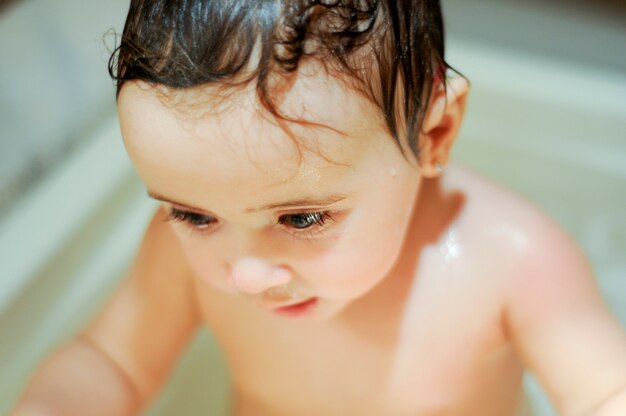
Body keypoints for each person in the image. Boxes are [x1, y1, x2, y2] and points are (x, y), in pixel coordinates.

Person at [11, 1, 626, 415]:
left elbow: (605, 391)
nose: (245, 274)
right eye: (196, 215)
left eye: (302, 218)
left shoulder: (512, 261)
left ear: (434, 134)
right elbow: (111, 362)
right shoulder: (177, 254)